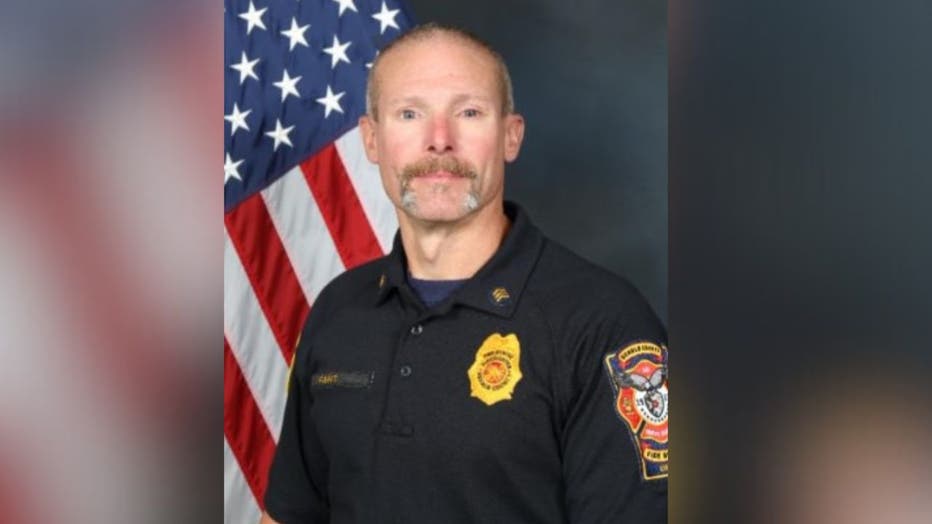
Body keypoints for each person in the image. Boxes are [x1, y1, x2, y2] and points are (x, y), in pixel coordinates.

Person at [261, 22, 668, 524]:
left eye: (469, 112)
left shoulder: (603, 324)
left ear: (511, 136)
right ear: (372, 139)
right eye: (409, 114)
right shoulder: (338, 310)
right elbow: (290, 515)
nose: (439, 141)